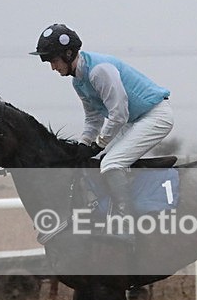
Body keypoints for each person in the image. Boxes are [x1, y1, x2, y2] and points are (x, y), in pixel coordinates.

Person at [30, 23, 174, 243]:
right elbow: (93, 118)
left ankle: (127, 225)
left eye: (53, 60)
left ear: (68, 54)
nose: (52, 67)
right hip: (136, 120)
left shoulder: (99, 71)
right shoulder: (79, 82)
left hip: (155, 116)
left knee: (111, 164)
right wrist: (84, 144)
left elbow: (118, 113)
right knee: (99, 161)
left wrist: (98, 143)